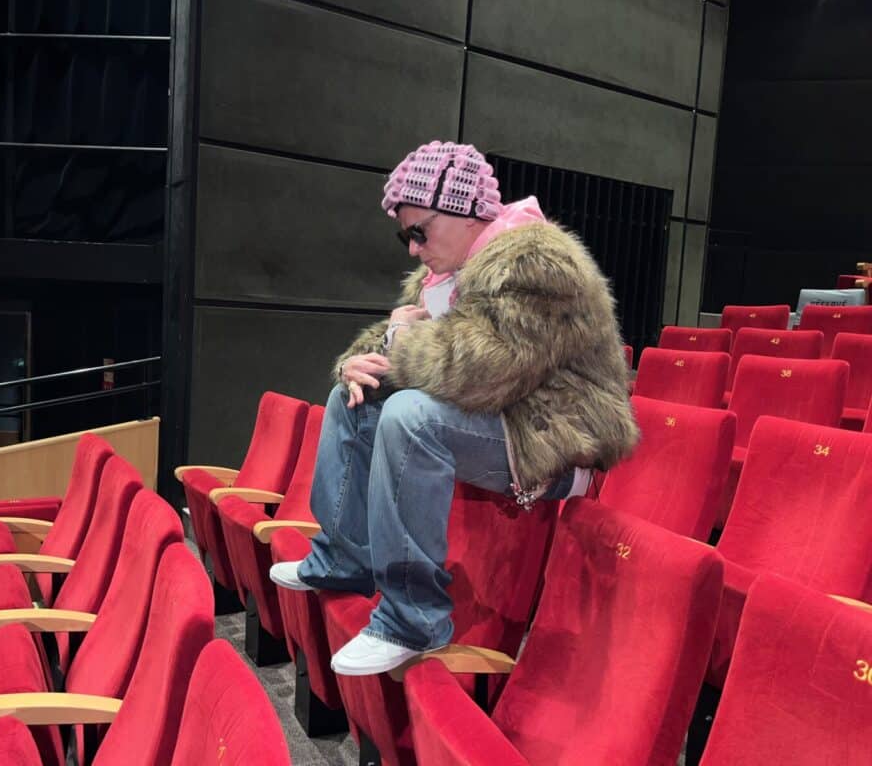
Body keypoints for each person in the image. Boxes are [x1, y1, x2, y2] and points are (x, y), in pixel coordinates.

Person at [270, 141, 638, 675]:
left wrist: (399, 342)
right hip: (495, 411)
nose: (413, 249)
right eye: (405, 236)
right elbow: (401, 343)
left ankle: (412, 619)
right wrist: (356, 364)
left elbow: (485, 369)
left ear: (466, 212)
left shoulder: (538, 265)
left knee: (410, 417)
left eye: (419, 232)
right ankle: (344, 559)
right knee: (354, 398)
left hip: (552, 433)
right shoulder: (442, 276)